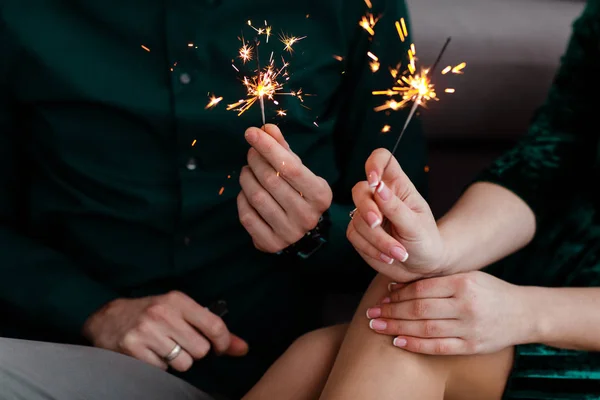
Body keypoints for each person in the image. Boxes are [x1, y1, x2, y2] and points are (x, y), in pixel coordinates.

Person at [0, 0, 427, 398]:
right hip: (58, 357)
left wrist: (316, 232)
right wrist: (91, 309)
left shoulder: (361, 8)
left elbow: (410, 242)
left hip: (279, 370)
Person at [241, 1, 600, 399]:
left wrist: (526, 312)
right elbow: (543, 168)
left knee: (405, 342)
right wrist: (439, 252)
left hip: (575, 325)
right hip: (549, 284)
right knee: (320, 351)